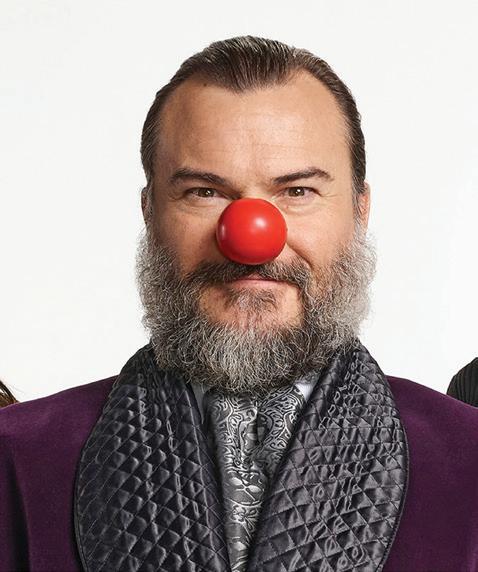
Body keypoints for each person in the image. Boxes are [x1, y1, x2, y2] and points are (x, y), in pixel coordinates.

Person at [1, 36, 477, 572]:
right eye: (204, 192)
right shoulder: (15, 459)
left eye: (297, 191)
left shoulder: (471, 459)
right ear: (149, 212)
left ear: (360, 210)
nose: (252, 237)